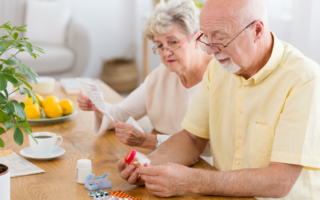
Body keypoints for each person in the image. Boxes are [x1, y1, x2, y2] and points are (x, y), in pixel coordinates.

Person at [117, 0, 320, 199]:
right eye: (206, 37)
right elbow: (192, 138)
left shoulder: (304, 79)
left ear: (257, 30)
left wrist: (193, 181)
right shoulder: (218, 68)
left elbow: (280, 181)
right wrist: (148, 166)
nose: (210, 50)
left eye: (220, 38)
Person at [77, 0, 213, 163]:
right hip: (165, 160)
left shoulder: (217, 77)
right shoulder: (161, 76)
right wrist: (97, 105)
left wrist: (147, 140)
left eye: (173, 42)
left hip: (204, 168)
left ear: (198, 38)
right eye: (159, 45)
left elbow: (206, 145)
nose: (166, 52)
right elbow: (121, 114)